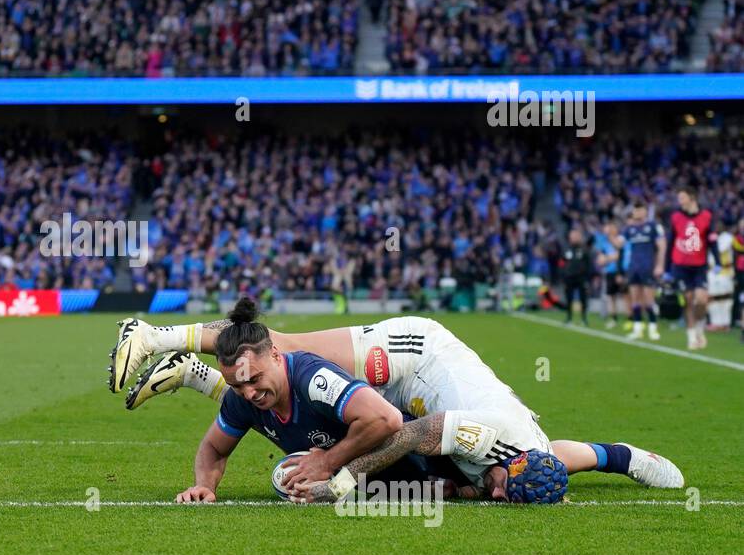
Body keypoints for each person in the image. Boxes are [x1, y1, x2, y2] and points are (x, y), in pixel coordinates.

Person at [112, 309, 684, 490]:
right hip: (420, 355)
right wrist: (341, 475)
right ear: (510, 465)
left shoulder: (534, 459)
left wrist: (625, 458)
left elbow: (568, 455)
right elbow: (414, 433)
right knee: (280, 350)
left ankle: (199, 377)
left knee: (305, 419)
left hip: (411, 404)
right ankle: (157, 336)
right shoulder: (488, 439)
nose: (497, 496)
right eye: (505, 489)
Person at [174, 300, 558, 504]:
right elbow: (213, 447)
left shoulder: (313, 378)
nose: (249, 393)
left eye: (254, 380)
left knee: (442, 490)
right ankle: (191, 370)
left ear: (276, 356)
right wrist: (204, 485)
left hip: (418, 461)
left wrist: (329, 471)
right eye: (237, 386)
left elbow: (389, 423)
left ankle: (189, 371)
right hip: (400, 449)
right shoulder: (245, 396)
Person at [668, 187, 715, 350]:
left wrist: (717, 263)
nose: (679, 200)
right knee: (687, 300)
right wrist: (668, 268)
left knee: (701, 300)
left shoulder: (707, 216)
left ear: (692, 197)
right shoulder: (675, 217)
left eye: (682, 197)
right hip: (680, 264)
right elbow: (671, 241)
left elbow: (711, 241)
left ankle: (700, 328)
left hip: (699, 265)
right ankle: (691, 337)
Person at [611, 203, 666, 341]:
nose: (636, 213)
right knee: (635, 299)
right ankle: (637, 328)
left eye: (639, 210)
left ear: (645, 212)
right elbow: (619, 244)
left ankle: (653, 328)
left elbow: (662, 246)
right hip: (634, 267)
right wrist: (611, 235)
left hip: (648, 266)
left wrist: (659, 265)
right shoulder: (629, 229)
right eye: (635, 211)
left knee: (649, 299)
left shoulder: (654, 227)